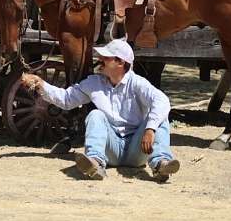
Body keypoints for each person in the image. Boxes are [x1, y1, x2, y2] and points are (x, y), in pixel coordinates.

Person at [21, 39, 180, 182]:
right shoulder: (93, 83)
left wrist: (150, 129)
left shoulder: (138, 83)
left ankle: (160, 165)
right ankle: (95, 163)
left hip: (137, 150)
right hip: (110, 150)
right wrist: (41, 84)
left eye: (106, 57)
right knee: (95, 115)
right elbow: (67, 99)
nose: (100, 60)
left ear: (120, 62)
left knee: (160, 118)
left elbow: (162, 101)